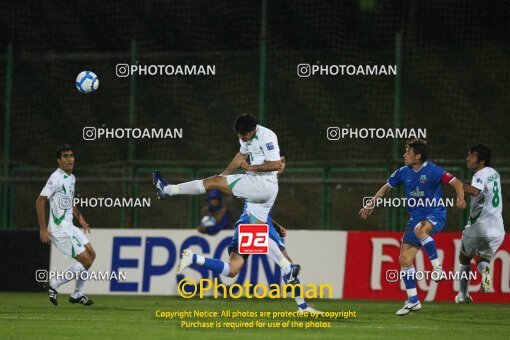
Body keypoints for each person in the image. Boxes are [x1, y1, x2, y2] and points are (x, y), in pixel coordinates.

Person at [154, 115, 306, 309]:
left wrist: (250, 168)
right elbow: (241, 156)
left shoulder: (267, 136)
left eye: (244, 135)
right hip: (261, 197)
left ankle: (167, 190)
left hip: (261, 185)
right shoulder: (245, 137)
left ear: (252, 131)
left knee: (212, 183)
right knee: (236, 267)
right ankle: (302, 304)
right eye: (239, 135)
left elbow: (276, 164)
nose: (241, 138)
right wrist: (224, 174)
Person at [359, 139, 466, 316]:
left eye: (408, 151)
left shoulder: (433, 170)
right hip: (415, 218)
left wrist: (460, 197)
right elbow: (386, 188)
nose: (404, 154)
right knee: (404, 259)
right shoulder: (403, 172)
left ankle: (438, 268)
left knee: (420, 230)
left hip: (435, 214)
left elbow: (457, 183)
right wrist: (370, 204)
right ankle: (413, 301)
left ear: (417, 156)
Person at [36, 144, 96, 306]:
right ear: (59, 160)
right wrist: (43, 228)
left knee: (92, 255)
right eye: (65, 156)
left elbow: (69, 202)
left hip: (69, 225)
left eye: (71, 155)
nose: (69, 159)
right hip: (60, 228)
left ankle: (77, 293)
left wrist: (81, 219)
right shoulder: (55, 178)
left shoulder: (71, 178)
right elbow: (40, 201)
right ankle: (54, 284)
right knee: (87, 261)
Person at [455, 144, 505, 304]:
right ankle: (486, 272)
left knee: (464, 259)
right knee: (482, 261)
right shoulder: (494, 173)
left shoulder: (480, 175)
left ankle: (462, 296)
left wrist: (455, 184)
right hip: (497, 230)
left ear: (482, 160)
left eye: (472, 156)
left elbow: (475, 191)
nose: (467, 158)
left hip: (478, 227)